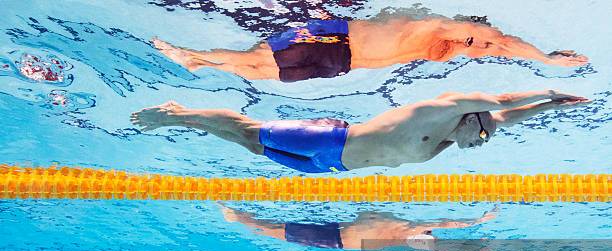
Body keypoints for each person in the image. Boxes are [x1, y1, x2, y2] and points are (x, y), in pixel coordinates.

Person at [131, 90, 591, 173]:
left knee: (253, 148)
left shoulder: (452, 137)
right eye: (483, 137)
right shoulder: (442, 111)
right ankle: (176, 113)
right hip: (331, 140)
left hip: (331, 165)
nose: (478, 146)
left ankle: (185, 118)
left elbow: (510, 117)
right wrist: (551, 90)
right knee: (251, 129)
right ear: (474, 119)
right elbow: (505, 103)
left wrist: (549, 109)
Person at [151, 13, 587, 82]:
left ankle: (201, 65)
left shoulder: (448, 47)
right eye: (478, 39)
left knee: (264, 73)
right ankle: (187, 52)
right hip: (334, 36)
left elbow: (505, 49)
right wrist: (547, 57)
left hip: (341, 62)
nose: (481, 47)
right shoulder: (440, 26)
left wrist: (541, 59)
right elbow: (505, 41)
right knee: (256, 60)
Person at [221, 205, 498, 249]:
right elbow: (444, 236)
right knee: (277, 227)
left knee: (276, 230)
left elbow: (446, 225)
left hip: (333, 237)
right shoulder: (407, 234)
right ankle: (243, 218)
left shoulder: (410, 231)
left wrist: (478, 221)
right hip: (336, 229)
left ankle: (239, 218)